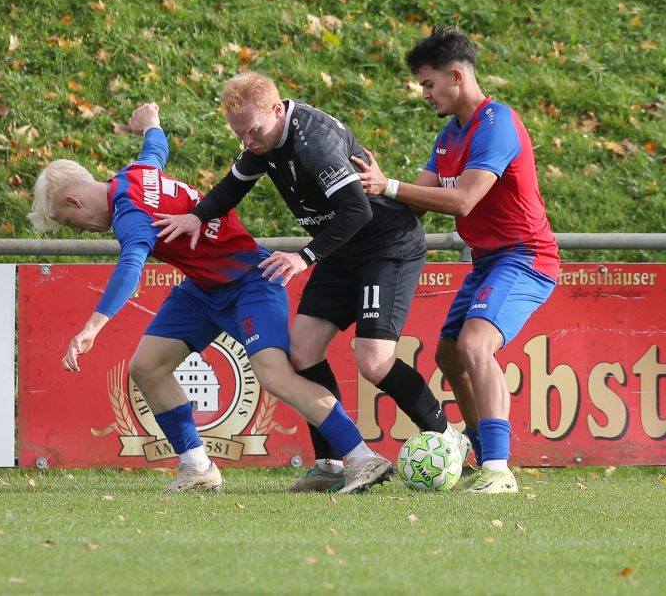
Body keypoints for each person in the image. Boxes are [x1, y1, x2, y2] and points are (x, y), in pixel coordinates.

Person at [27, 102, 393, 495]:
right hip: (203, 289)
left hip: (251, 282)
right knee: (147, 366)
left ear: (74, 202)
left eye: (70, 223)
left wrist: (93, 326)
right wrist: (151, 123)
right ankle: (197, 466)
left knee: (275, 376)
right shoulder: (135, 174)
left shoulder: (128, 213)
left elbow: (131, 267)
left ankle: (361, 456)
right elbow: (156, 148)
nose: (80, 230)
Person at [154, 74, 464, 493]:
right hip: (341, 249)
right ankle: (333, 465)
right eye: (239, 133)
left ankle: (449, 439)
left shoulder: (313, 143)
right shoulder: (264, 138)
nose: (246, 142)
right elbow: (233, 186)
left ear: (277, 110)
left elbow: (357, 211)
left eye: (252, 131)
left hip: (384, 246)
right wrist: (198, 214)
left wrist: (303, 257)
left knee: (373, 362)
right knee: (301, 353)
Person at [351, 26, 560, 493]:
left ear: (457, 76)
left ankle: (499, 469)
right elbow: (418, 200)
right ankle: (481, 453)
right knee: (449, 354)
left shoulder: (497, 124)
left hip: (526, 257)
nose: (423, 93)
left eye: (428, 83)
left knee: (473, 346)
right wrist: (357, 194)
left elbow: (463, 200)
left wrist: (386, 185)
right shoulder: (449, 136)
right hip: (488, 261)